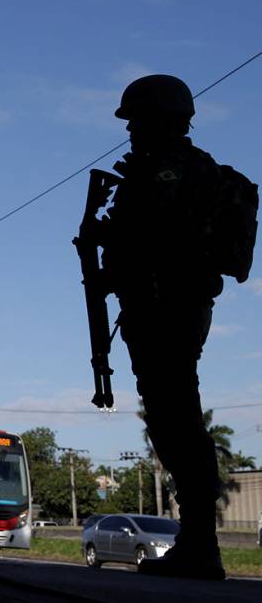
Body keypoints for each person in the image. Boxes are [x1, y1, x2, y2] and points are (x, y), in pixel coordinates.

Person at [100, 74, 256, 580]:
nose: (131, 133)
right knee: (173, 418)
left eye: (137, 122)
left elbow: (153, 244)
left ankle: (200, 546)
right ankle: (197, 543)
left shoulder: (169, 174)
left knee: (178, 421)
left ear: (161, 121)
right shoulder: (174, 171)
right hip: (169, 308)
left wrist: (109, 244)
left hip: (167, 308)